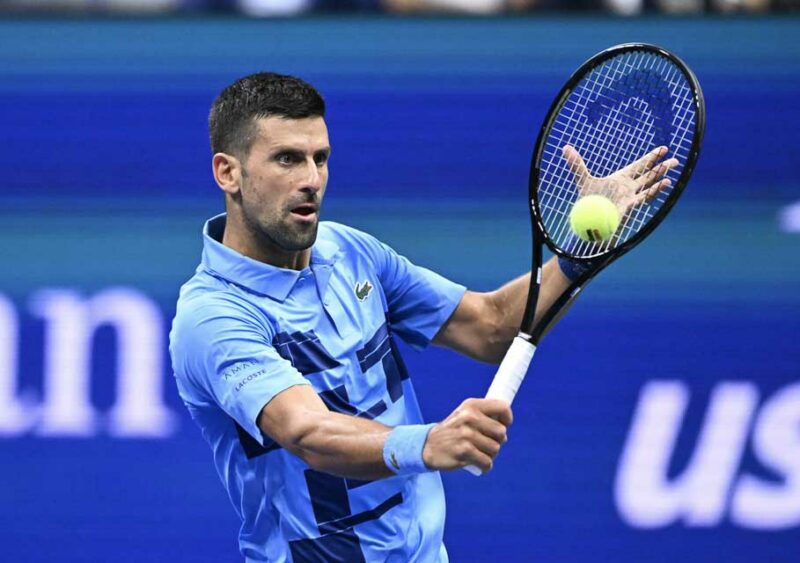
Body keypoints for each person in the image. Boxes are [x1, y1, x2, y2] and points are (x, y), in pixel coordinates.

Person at [169, 72, 670, 562]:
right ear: (227, 172)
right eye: (287, 160)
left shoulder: (350, 252)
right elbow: (308, 433)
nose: (311, 180)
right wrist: (429, 442)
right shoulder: (212, 315)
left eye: (320, 159)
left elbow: (491, 326)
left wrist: (580, 251)